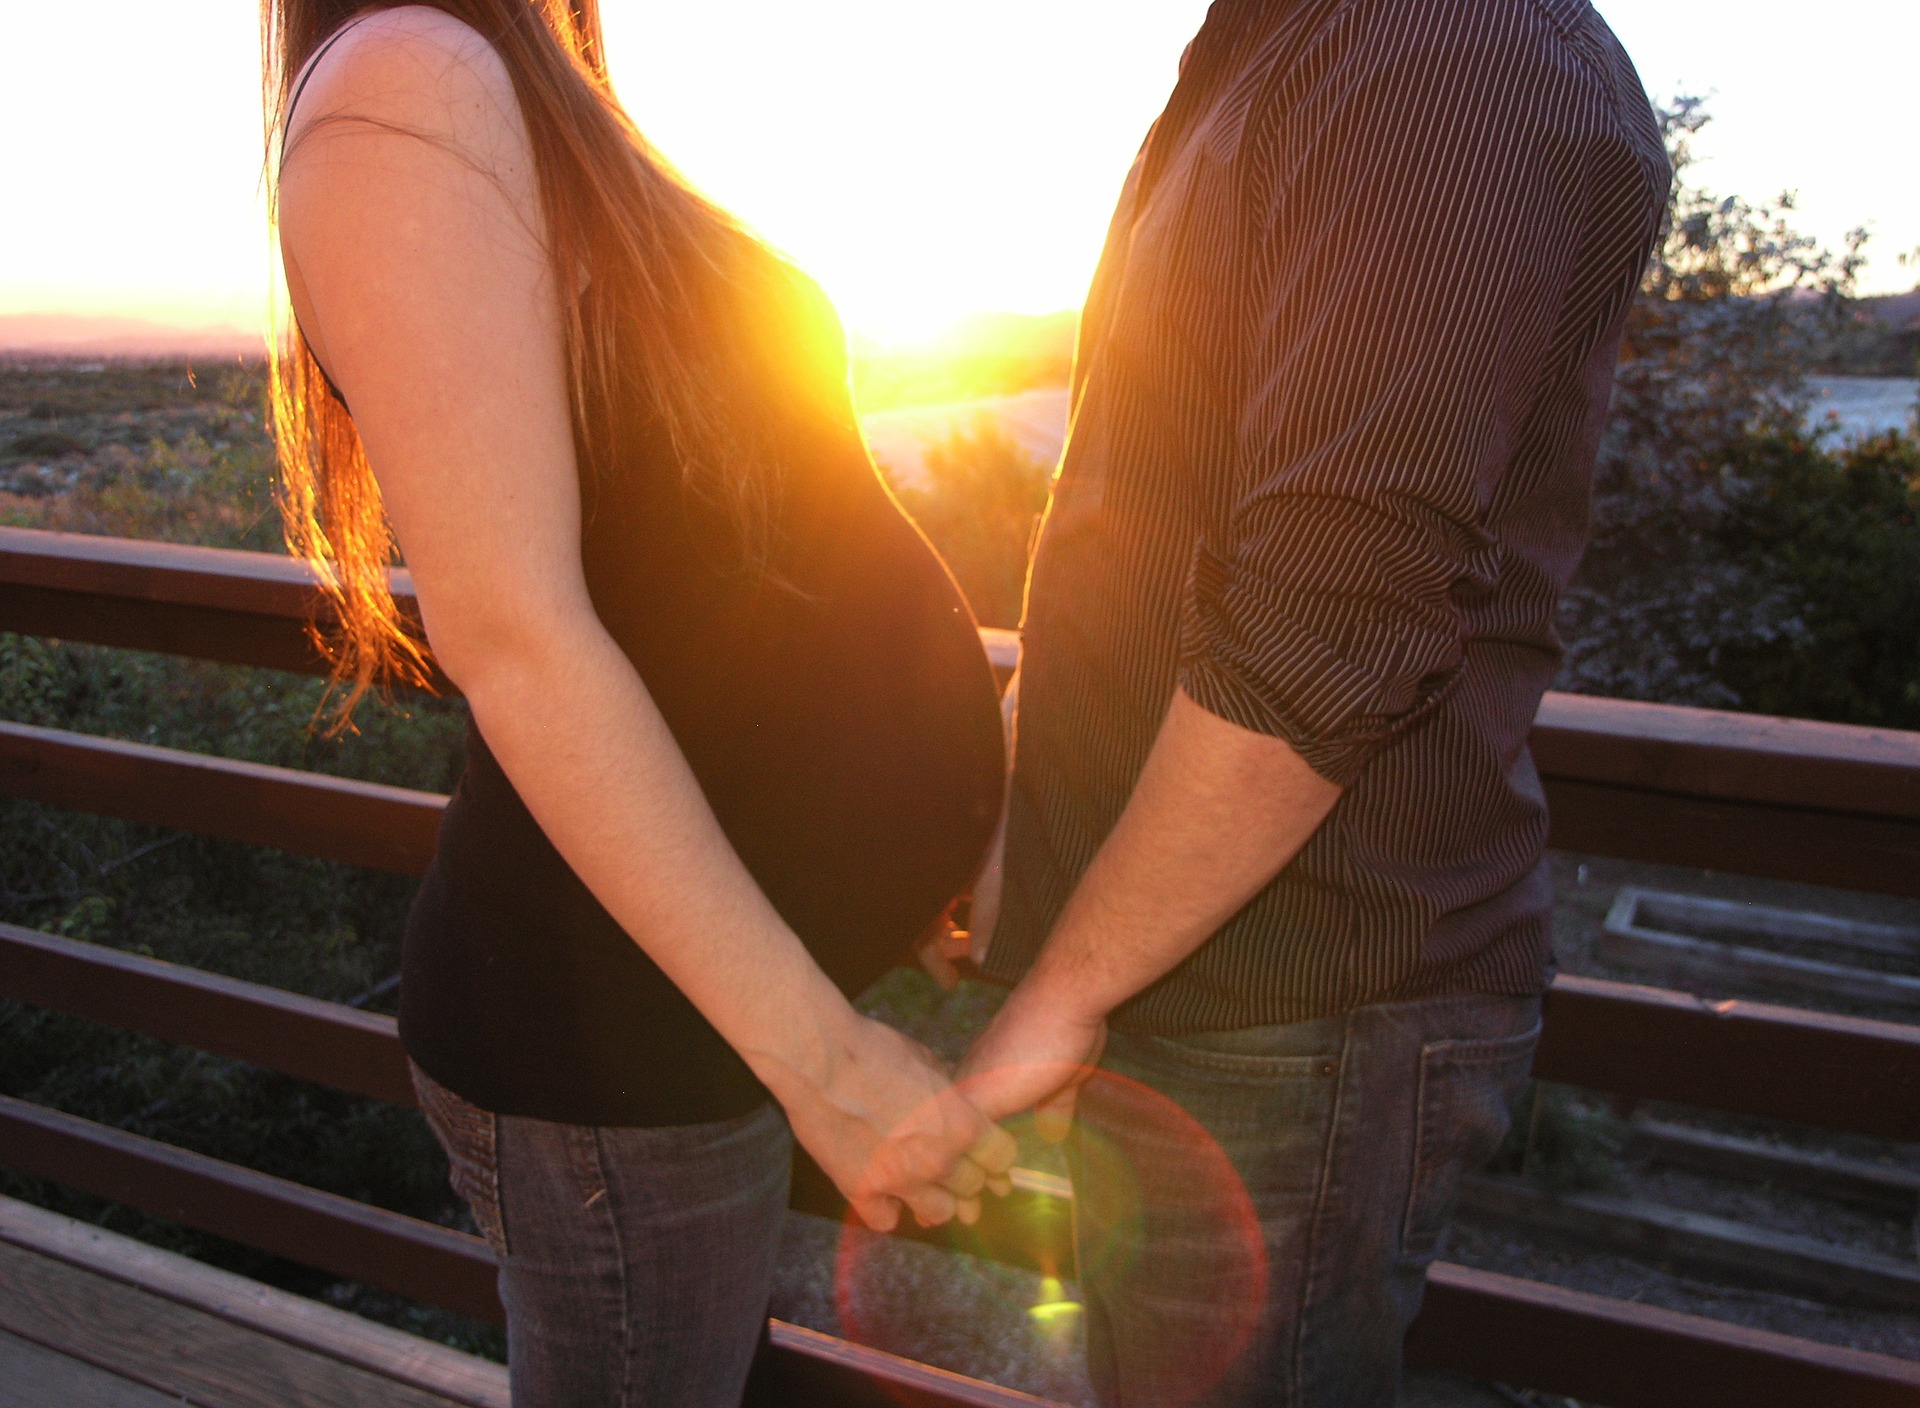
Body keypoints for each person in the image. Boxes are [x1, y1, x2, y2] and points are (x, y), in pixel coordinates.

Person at [265, 2, 1016, 1402]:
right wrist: (829, 1064)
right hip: (618, 1042)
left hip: (687, 1021)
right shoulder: (405, 82)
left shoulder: (516, 87)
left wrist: (943, 796)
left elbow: (721, 568)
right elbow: (521, 640)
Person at [955, 0, 1672, 1403]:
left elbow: (1336, 608)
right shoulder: (1288, 50)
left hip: (1293, 1007)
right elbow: (1130, 522)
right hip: (1210, 979)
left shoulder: (1441, 52)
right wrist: (1016, 832)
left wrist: (1067, 987)